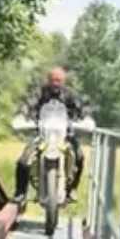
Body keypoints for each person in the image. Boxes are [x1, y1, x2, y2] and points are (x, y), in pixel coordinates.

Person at [14, 67, 88, 204]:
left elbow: (79, 106)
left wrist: (83, 115)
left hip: (64, 133)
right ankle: (20, 193)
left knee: (80, 157)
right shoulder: (40, 92)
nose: (55, 83)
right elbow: (29, 103)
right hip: (43, 133)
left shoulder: (69, 94)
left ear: (63, 81)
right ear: (48, 80)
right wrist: (24, 112)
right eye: (53, 80)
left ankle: (72, 189)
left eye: (58, 80)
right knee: (23, 161)